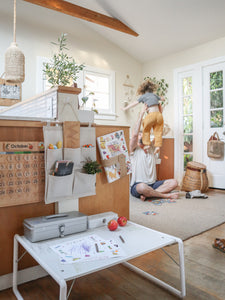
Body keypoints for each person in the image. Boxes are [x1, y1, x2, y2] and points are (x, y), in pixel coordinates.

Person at [130, 104, 179, 201]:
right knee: (142, 188)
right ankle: (164, 196)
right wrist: (142, 113)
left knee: (174, 182)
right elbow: (134, 134)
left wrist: (159, 114)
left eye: (143, 134)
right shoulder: (134, 150)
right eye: (140, 135)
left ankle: (149, 194)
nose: (141, 136)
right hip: (138, 185)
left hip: (153, 184)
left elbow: (158, 130)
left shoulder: (151, 147)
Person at [123, 79, 164, 154]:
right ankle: (158, 146)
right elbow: (162, 99)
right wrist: (161, 98)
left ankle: (147, 144)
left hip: (151, 115)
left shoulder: (144, 96)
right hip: (159, 115)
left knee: (146, 129)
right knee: (158, 131)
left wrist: (125, 108)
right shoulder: (154, 95)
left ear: (143, 90)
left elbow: (134, 103)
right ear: (152, 89)